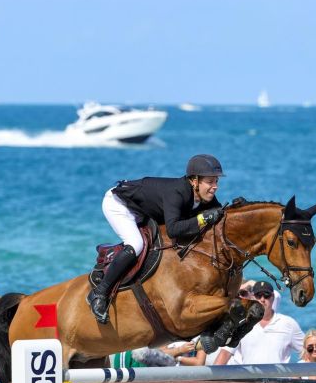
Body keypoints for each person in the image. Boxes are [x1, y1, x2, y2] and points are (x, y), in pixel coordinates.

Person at [87, 154, 227, 324]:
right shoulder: (177, 193)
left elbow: (218, 213)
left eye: (216, 182)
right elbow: (174, 229)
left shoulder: (204, 196)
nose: (215, 187)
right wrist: (202, 219)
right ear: (195, 181)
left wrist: (235, 208)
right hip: (120, 205)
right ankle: (99, 293)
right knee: (136, 244)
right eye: (210, 182)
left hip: (145, 210)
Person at [213, 281, 304, 365]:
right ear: (252, 298)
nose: (262, 299)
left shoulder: (288, 323)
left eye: (266, 295)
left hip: (277, 382)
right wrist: (211, 380)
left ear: (273, 297)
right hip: (249, 381)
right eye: (258, 295)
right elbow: (225, 353)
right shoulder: (242, 323)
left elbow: (309, 350)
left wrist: (299, 375)